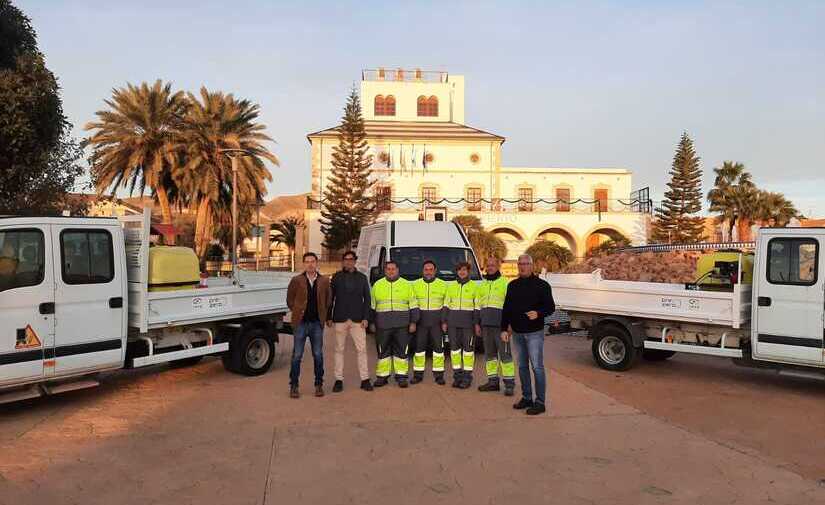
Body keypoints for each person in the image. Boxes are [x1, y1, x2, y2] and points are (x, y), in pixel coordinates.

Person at [501, 254, 555, 415]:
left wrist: (538, 313)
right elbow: (507, 309)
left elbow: (550, 307)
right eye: (520, 264)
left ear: (532, 266)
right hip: (517, 333)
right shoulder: (512, 285)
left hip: (534, 334)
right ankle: (527, 397)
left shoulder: (542, 285)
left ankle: (540, 402)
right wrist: (504, 329)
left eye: (526, 264)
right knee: (523, 367)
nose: (523, 266)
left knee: (537, 367)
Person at [286, 252, 331, 399]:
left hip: (317, 324)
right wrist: (298, 311)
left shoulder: (324, 281)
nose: (310, 264)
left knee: (318, 355)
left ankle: (319, 385)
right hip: (300, 324)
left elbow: (328, 300)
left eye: (313, 261)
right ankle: (294, 386)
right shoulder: (296, 280)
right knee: (297, 355)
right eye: (307, 262)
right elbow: (290, 300)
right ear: (304, 264)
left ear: (316, 263)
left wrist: (323, 315)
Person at [327, 250, 373, 393]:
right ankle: (338, 380)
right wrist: (329, 316)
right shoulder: (336, 277)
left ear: (355, 261)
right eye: (346, 259)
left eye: (351, 259)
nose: (348, 261)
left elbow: (367, 299)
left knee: (362, 350)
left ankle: (365, 379)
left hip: (358, 320)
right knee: (339, 350)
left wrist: (366, 317)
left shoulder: (362, 278)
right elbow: (331, 298)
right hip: (340, 318)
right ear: (343, 261)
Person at [371, 260, 419, 388]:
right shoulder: (377, 285)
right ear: (385, 271)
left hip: (402, 325)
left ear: (398, 270)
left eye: (393, 269)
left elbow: (414, 306)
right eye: (388, 269)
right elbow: (372, 306)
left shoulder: (407, 285)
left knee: (402, 351)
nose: (391, 271)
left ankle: (401, 377)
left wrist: (413, 322)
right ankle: (382, 376)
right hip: (383, 325)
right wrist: (372, 323)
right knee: (383, 352)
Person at [477, 256, 515, 396]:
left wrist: (509, 326)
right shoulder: (483, 284)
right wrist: (478, 323)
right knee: (490, 356)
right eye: (488, 265)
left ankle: (509, 384)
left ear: (498, 267)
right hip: (486, 325)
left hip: (501, 327)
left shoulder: (505, 284)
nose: (490, 267)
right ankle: (493, 382)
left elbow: (511, 307)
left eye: (492, 265)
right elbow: (478, 306)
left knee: (505, 356)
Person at [442, 261, 481, 389]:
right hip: (453, 324)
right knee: (454, 351)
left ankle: (467, 377)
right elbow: (446, 305)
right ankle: (457, 377)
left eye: (464, 270)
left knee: (468, 352)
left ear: (468, 271)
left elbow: (477, 307)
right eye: (459, 270)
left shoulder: (475, 287)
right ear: (457, 272)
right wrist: (444, 321)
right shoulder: (451, 286)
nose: (462, 272)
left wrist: (476, 324)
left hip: (468, 325)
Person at [410, 260, 448, 385]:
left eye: (431, 269)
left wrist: (444, 321)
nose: (428, 272)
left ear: (435, 271)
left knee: (438, 349)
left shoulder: (443, 285)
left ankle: (439, 375)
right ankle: (418, 375)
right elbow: (412, 303)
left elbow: (446, 304)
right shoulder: (415, 285)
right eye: (426, 269)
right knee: (419, 349)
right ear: (422, 271)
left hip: (436, 321)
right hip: (421, 321)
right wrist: (413, 321)